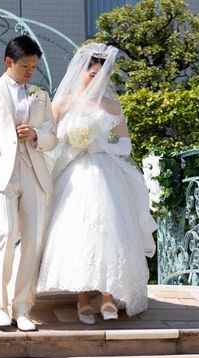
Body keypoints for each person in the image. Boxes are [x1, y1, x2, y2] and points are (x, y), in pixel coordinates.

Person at [36, 43, 157, 324]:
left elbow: (125, 145)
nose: (97, 81)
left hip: (104, 172)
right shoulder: (62, 103)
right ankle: (81, 298)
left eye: (103, 76)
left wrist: (101, 146)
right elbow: (50, 140)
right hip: (73, 173)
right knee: (78, 231)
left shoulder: (112, 105)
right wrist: (71, 146)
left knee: (108, 229)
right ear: (82, 71)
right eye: (92, 74)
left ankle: (107, 295)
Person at [0, 35, 57, 331]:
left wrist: (35, 134)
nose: (30, 71)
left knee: (32, 241)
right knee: (6, 234)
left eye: (34, 66)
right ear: (9, 61)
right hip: (0, 176)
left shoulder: (41, 95)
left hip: (33, 174)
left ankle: (22, 308)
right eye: (25, 65)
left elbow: (53, 137)